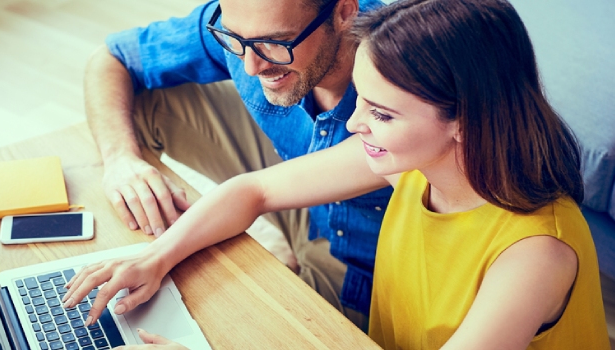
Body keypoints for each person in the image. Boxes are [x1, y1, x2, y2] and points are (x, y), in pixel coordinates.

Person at [67, 0, 612, 348]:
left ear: (464, 120)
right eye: (365, 101)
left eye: (380, 113)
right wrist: (154, 259)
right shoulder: (416, 167)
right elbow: (253, 190)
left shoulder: (536, 254)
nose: (353, 122)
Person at [84, 0, 392, 326]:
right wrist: (121, 159)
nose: (250, 67)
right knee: (137, 104)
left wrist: (161, 257)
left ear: (344, 12)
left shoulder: (404, 76)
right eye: (236, 38)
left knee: (223, 324)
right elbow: (111, 57)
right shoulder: (247, 21)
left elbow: (255, 192)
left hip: (363, 255)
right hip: (294, 188)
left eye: (274, 42)